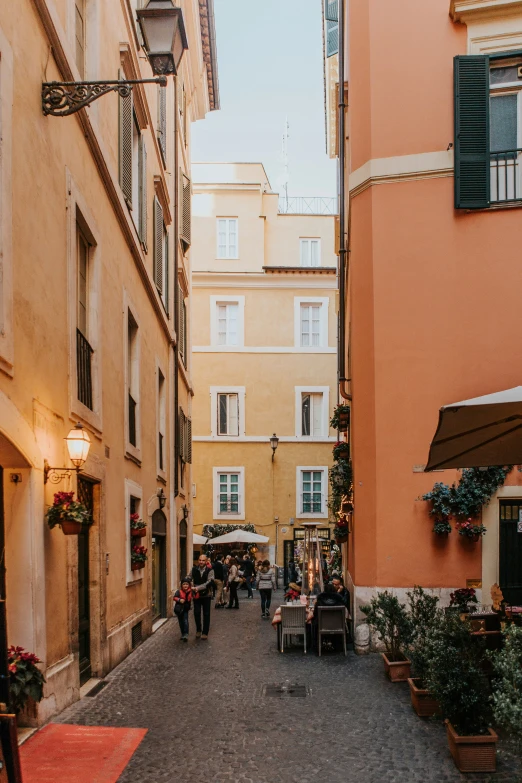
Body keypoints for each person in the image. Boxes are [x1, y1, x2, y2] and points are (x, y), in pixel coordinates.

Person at [191, 554, 215, 639]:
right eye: (200, 560)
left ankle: (205, 632)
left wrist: (197, 587)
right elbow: (188, 577)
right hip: (196, 595)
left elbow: (210, 582)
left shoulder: (210, 570)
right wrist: (189, 585)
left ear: (206, 561)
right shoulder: (194, 569)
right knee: (196, 612)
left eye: (203, 560)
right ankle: (198, 630)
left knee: (206, 614)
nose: (201, 562)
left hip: (206, 595)